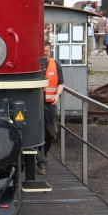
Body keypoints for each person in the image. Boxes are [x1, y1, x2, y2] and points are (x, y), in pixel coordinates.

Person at [37, 40, 64, 176]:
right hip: (36, 104)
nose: (45, 53)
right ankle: (41, 163)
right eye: (43, 51)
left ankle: (46, 151)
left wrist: (57, 96)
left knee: (51, 132)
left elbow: (61, 83)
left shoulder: (56, 64)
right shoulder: (35, 64)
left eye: (46, 51)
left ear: (50, 51)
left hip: (50, 104)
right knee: (38, 132)